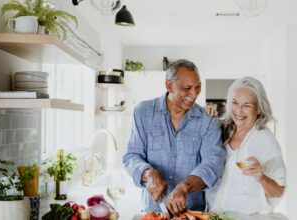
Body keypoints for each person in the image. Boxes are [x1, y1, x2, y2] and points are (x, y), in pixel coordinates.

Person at [123, 59, 225, 216]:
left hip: (192, 213)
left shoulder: (208, 120)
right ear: (169, 86)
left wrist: (184, 187)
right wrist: (148, 174)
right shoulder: (143, 112)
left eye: (198, 87)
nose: (194, 94)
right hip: (153, 212)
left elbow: (213, 164)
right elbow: (132, 156)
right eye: (187, 88)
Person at [206, 76, 287, 214]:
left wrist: (261, 177)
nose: (239, 110)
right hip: (214, 214)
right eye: (235, 103)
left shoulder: (266, 141)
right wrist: (205, 117)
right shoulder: (222, 129)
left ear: (259, 109)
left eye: (247, 105)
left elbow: (278, 191)